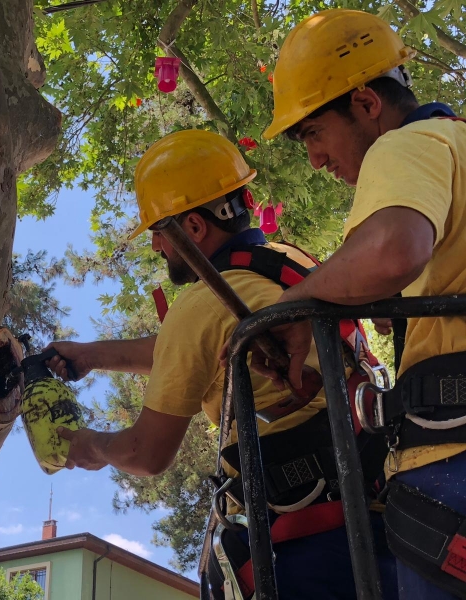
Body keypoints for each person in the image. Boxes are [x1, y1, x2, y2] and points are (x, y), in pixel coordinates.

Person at [46, 129, 397, 599]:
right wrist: (91, 355)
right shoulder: (285, 263)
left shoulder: (203, 305)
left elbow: (146, 455)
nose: (155, 247)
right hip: (377, 510)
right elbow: (191, 351)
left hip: (305, 545)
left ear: (192, 228)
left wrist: (83, 446)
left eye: (158, 232)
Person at [252, 9, 466, 598]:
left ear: (368, 104)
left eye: (314, 133)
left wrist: (294, 303)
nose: (315, 160)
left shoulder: (407, 145)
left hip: (454, 463)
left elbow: (393, 249)